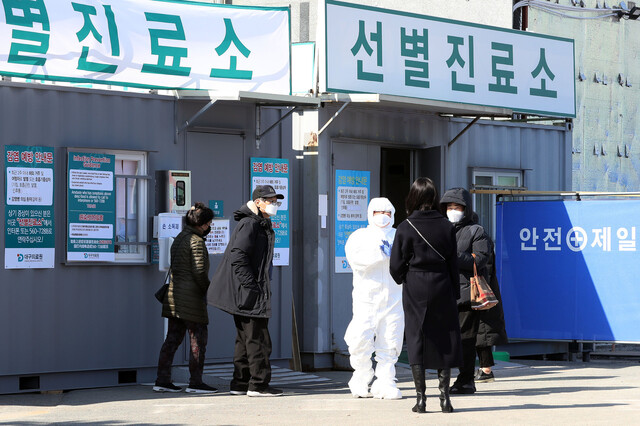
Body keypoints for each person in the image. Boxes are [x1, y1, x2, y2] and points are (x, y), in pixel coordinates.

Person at [390, 177, 462, 414]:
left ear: (413, 197)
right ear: (433, 197)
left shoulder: (405, 227)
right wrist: (453, 289)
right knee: (444, 338)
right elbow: (453, 262)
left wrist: (404, 278)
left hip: (416, 285)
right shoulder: (446, 226)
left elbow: (396, 265)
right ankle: (445, 399)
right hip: (442, 283)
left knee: (416, 337)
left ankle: (421, 400)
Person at [207, 185, 284, 397]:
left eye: (276, 201)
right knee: (258, 338)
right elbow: (237, 257)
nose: (274, 204)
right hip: (248, 292)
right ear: (258, 202)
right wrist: (253, 286)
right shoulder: (251, 224)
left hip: (246, 292)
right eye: (270, 200)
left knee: (244, 339)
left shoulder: (259, 223)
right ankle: (259, 385)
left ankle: (240, 383)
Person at [440, 188, 508, 395]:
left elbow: (480, 260)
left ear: (466, 209)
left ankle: (466, 379)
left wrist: (454, 255)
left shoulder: (476, 231)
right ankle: (453, 379)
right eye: (449, 207)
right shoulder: (440, 228)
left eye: (457, 207)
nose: (453, 211)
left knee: (466, 340)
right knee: (446, 339)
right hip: (442, 292)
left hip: (465, 295)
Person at [344, 197, 404, 399]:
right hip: (366, 298)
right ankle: (360, 377)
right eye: (378, 212)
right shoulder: (359, 236)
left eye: (387, 213)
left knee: (391, 339)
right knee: (360, 339)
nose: (383, 217)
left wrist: (395, 258)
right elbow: (355, 261)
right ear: (370, 214)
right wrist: (380, 255)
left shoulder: (400, 235)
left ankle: (385, 382)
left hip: (394, 298)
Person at [154, 202, 217, 394]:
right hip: (191, 299)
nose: (209, 226)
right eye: (209, 223)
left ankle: (162, 380)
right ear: (203, 224)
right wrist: (210, 290)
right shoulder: (196, 241)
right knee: (198, 340)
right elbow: (199, 272)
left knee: (172, 339)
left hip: (174, 296)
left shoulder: (180, 237)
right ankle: (196, 383)